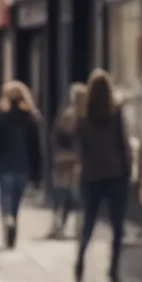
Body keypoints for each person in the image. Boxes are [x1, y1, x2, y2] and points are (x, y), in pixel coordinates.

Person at [74, 68, 130, 282]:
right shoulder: (115, 115)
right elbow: (122, 144)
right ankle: (113, 272)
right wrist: (127, 170)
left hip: (91, 177)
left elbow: (81, 149)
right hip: (115, 175)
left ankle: (80, 260)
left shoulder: (83, 120)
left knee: (88, 223)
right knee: (117, 228)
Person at [0, 80, 43, 248]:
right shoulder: (30, 118)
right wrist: (37, 174)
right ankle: (12, 227)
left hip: (5, 166)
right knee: (16, 203)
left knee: (5, 198)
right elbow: (36, 147)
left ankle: (7, 219)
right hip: (23, 166)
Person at [50, 83, 85, 239]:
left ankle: (59, 225)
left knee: (62, 194)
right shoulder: (84, 116)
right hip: (76, 161)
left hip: (64, 160)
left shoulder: (67, 115)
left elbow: (58, 138)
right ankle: (76, 227)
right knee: (75, 196)